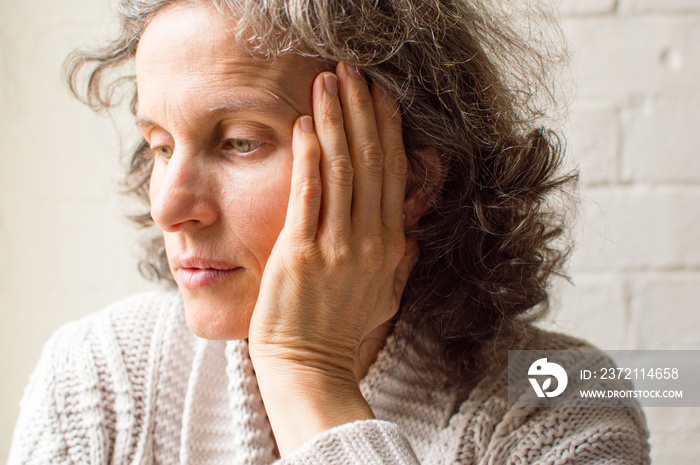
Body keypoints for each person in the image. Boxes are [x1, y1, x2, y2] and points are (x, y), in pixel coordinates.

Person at [8, 0, 650, 463]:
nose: (171, 205)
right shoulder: (100, 372)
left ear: (410, 179)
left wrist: (308, 374)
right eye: (160, 145)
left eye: (237, 142)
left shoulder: (564, 402)